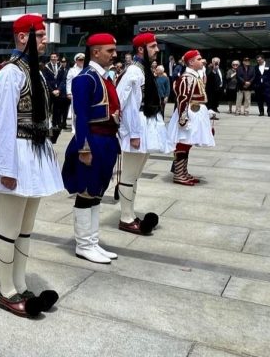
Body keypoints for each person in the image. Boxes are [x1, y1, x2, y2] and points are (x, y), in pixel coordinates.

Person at [0, 14, 63, 318]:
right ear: (23, 37)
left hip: (34, 154)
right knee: (10, 228)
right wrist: (5, 168)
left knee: (25, 229)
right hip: (17, 155)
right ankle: (6, 290)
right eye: (39, 36)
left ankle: (21, 284)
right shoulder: (10, 73)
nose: (45, 40)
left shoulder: (33, 72)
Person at [61, 33, 121, 265]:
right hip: (93, 141)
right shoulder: (85, 78)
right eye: (109, 50)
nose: (114, 55)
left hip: (106, 140)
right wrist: (84, 148)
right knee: (86, 192)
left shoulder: (104, 77)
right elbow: (81, 117)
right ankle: (83, 245)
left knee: (97, 192)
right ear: (95, 52)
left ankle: (92, 241)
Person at [115, 33, 168, 236]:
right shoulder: (134, 72)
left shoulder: (144, 70)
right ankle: (125, 218)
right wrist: (132, 133)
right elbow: (124, 104)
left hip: (145, 125)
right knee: (129, 175)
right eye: (153, 46)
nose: (157, 50)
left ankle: (129, 214)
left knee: (135, 175)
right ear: (141, 49)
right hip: (136, 127)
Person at [167, 50, 215, 185]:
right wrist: (183, 119)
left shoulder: (193, 76)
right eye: (199, 59)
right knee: (183, 144)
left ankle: (183, 172)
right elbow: (183, 99)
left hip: (195, 112)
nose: (202, 61)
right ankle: (178, 174)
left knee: (187, 144)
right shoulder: (187, 77)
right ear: (191, 62)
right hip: (189, 113)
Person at [66, 53, 85, 133]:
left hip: (85, 93)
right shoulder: (72, 70)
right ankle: (74, 128)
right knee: (75, 111)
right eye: (80, 60)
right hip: (76, 93)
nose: (81, 61)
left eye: (83, 60)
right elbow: (68, 82)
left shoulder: (87, 69)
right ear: (76, 61)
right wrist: (69, 92)